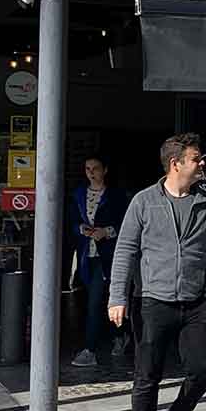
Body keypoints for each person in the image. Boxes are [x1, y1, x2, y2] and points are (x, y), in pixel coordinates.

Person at [108, 133, 206, 411]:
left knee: (204, 367)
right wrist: (117, 297)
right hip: (153, 303)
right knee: (147, 378)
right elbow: (125, 251)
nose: (201, 163)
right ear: (176, 164)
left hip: (196, 302)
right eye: (196, 159)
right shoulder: (144, 202)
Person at [68, 155, 128, 368]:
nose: (91, 172)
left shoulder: (116, 196)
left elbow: (126, 224)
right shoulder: (78, 195)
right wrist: (82, 229)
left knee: (97, 301)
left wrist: (107, 231)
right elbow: (71, 222)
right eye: (87, 169)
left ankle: (90, 349)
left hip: (108, 256)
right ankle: (119, 335)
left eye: (95, 168)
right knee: (93, 301)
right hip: (87, 255)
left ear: (105, 170)